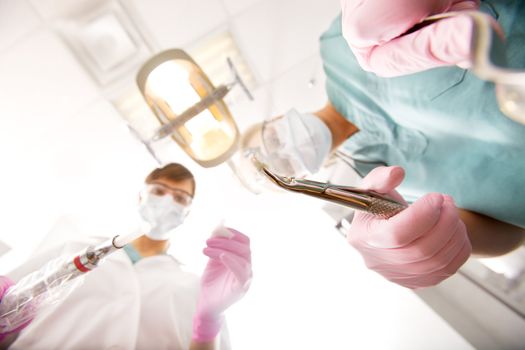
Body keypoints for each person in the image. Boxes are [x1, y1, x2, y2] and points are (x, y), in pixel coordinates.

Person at [254, 0, 525, 289]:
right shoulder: (383, 184)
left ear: (279, 118)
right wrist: (435, 241)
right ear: (305, 175)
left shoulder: (338, 46)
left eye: (272, 140)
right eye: (282, 162)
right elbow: (510, 233)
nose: (285, 150)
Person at [0, 163, 252, 349]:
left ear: (186, 213)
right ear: (140, 195)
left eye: (179, 198)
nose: (167, 201)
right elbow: (7, 313)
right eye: (159, 190)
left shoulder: (196, 290)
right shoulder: (72, 249)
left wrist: (208, 322)